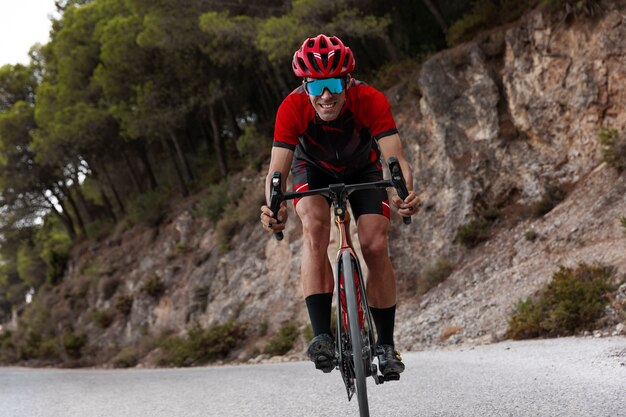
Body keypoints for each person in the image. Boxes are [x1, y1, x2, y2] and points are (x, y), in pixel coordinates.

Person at [259, 34, 419, 378]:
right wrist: (274, 209)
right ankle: (322, 336)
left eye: (333, 84)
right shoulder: (291, 107)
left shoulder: (371, 99)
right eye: (316, 87)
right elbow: (277, 171)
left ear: (348, 82)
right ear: (305, 87)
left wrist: (403, 194)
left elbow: (396, 159)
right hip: (311, 168)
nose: (326, 96)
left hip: (363, 167)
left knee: (375, 244)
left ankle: (386, 345)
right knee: (314, 227)